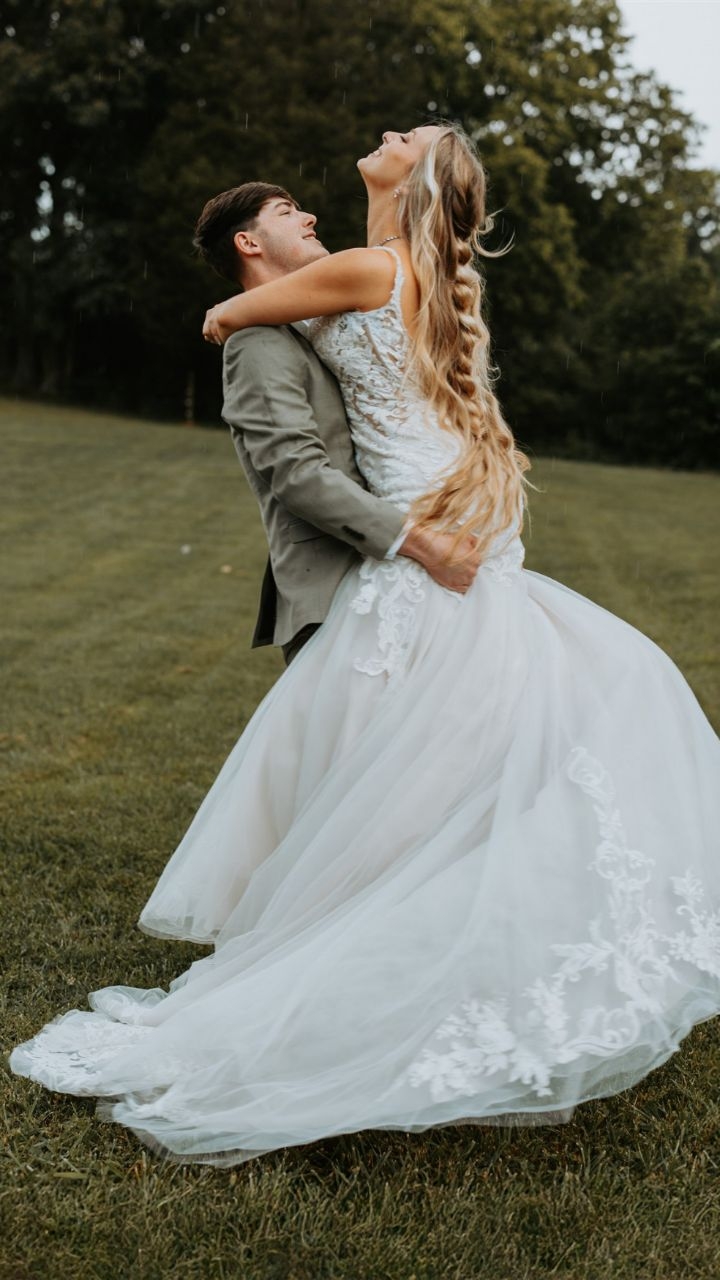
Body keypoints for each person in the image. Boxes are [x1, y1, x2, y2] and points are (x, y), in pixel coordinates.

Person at [10, 124, 720, 1167]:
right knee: (453, 779)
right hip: (429, 541)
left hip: (425, 548)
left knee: (420, 786)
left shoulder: (363, 269)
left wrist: (224, 306)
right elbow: (306, 439)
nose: (384, 136)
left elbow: (232, 315)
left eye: (406, 136)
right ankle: (435, 955)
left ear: (419, 177)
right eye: (284, 210)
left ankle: (408, 960)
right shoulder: (412, 270)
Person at [193, 182, 481, 666]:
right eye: (287, 212)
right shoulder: (256, 343)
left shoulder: (316, 328)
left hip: (389, 584)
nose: (310, 219)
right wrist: (422, 543)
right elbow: (297, 475)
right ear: (249, 243)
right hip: (336, 595)